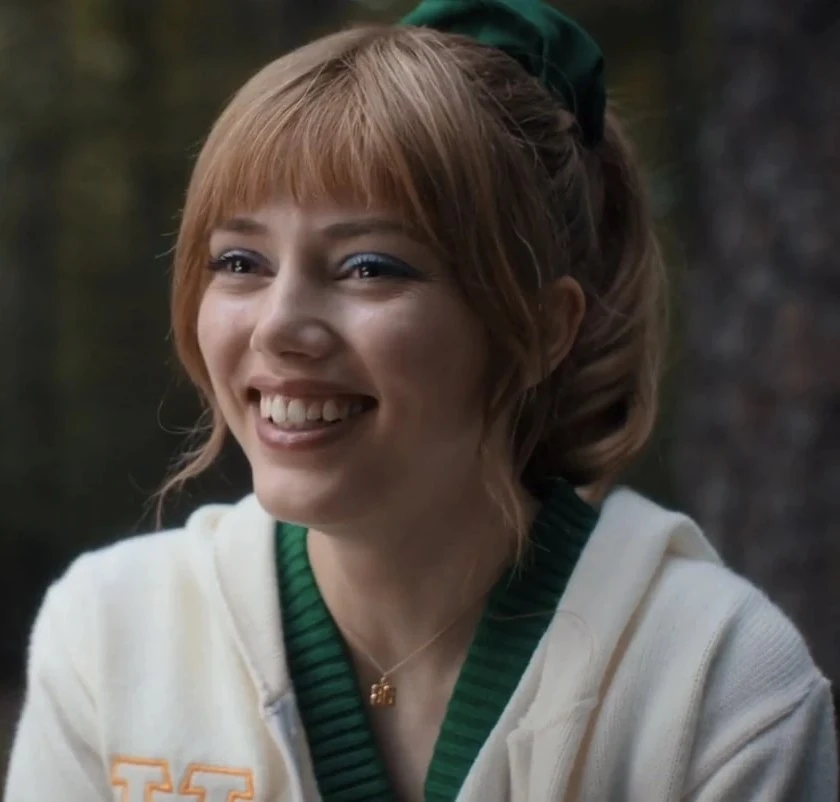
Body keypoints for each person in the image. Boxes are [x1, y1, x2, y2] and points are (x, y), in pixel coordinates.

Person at [4, 0, 837, 799]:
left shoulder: (716, 685)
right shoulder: (109, 640)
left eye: (368, 267)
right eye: (240, 262)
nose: (279, 326)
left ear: (541, 327)